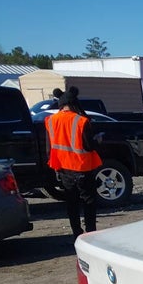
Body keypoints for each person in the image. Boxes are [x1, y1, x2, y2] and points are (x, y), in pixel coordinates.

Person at [45, 86, 104, 239]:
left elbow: (49, 148)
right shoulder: (81, 121)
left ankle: (76, 233)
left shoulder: (51, 121)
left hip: (63, 169)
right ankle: (90, 234)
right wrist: (98, 140)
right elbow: (89, 146)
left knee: (71, 202)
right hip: (82, 167)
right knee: (88, 201)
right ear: (73, 103)